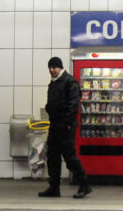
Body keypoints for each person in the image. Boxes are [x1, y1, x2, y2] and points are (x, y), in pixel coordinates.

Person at [38, 56, 92, 199]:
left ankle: (84, 184)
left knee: (69, 156)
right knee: (52, 156)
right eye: (50, 68)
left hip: (65, 125)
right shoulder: (54, 83)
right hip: (55, 124)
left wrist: (67, 123)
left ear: (60, 67)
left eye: (54, 67)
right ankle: (54, 187)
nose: (52, 70)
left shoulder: (70, 82)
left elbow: (73, 105)